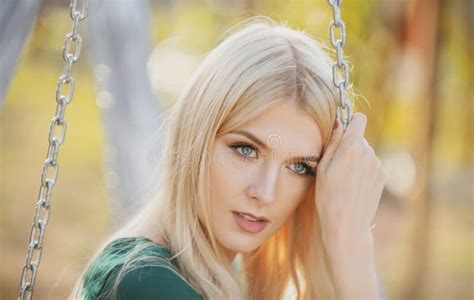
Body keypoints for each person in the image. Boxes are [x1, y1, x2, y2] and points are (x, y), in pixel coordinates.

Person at [70, 16, 387, 300]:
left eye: (299, 167)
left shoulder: (220, 276)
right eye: (246, 150)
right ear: (196, 136)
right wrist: (351, 246)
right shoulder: (142, 283)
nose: (265, 192)